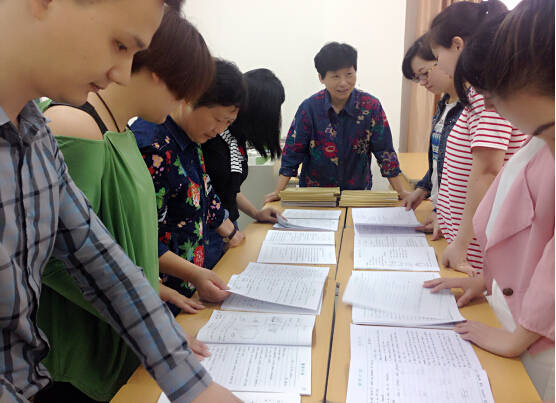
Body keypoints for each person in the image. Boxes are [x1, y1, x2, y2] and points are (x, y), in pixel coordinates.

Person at [0, 0, 240, 401]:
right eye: (119, 44)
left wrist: (192, 384)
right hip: (82, 358)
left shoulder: (35, 132)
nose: (121, 74)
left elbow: (97, 255)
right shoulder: (71, 124)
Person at [425, 0, 554, 398]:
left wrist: (517, 338)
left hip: (539, 335)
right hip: (522, 314)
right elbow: (526, 234)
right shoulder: (541, 139)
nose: (491, 104)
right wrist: (487, 280)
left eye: (494, 90)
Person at [133, 59, 246, 315]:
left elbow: (203, 189)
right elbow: (142, 237)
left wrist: (230, 232)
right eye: (217, 119)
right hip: (162, 291)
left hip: (192, 282)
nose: (219, 130)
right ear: (190, 98)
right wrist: (194, 275)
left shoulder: (190, 136)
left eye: (228, 123)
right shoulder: (154, 147)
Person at [426, 0, 528, 275]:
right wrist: (444, 217)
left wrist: (461, 243)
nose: (438, 66)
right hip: (463, 244)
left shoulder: (487, 95)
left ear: (457, 45)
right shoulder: (476, 93)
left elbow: (487, 171)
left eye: (437, 56)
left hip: (473, 252)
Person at [265, 42, 409, 203]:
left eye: (349, 74)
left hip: (356, 195)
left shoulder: (370, 106)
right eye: (335, 76)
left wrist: (401, 191)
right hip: (316, 196)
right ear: (321, 78)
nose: (343, 83)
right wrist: (278, 191)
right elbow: (293, 152)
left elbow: (385, 152)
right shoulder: (309, 108)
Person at [202, 68, 285, 227]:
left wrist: (256, 213)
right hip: (213, 228)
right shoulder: (211, 136)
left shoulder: (236, 138)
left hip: (229, 223)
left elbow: (230, 190)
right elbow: (207, 193)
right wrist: (229, 233)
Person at [401, 34, 464, 239]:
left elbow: (471, 175)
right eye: (417, 77)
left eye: (424, 73)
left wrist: (443, 214)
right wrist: (422, 189)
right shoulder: (444, 105)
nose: (422, 82)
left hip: (456, 220)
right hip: (442, 216)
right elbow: (440, 162)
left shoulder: (471, 107)